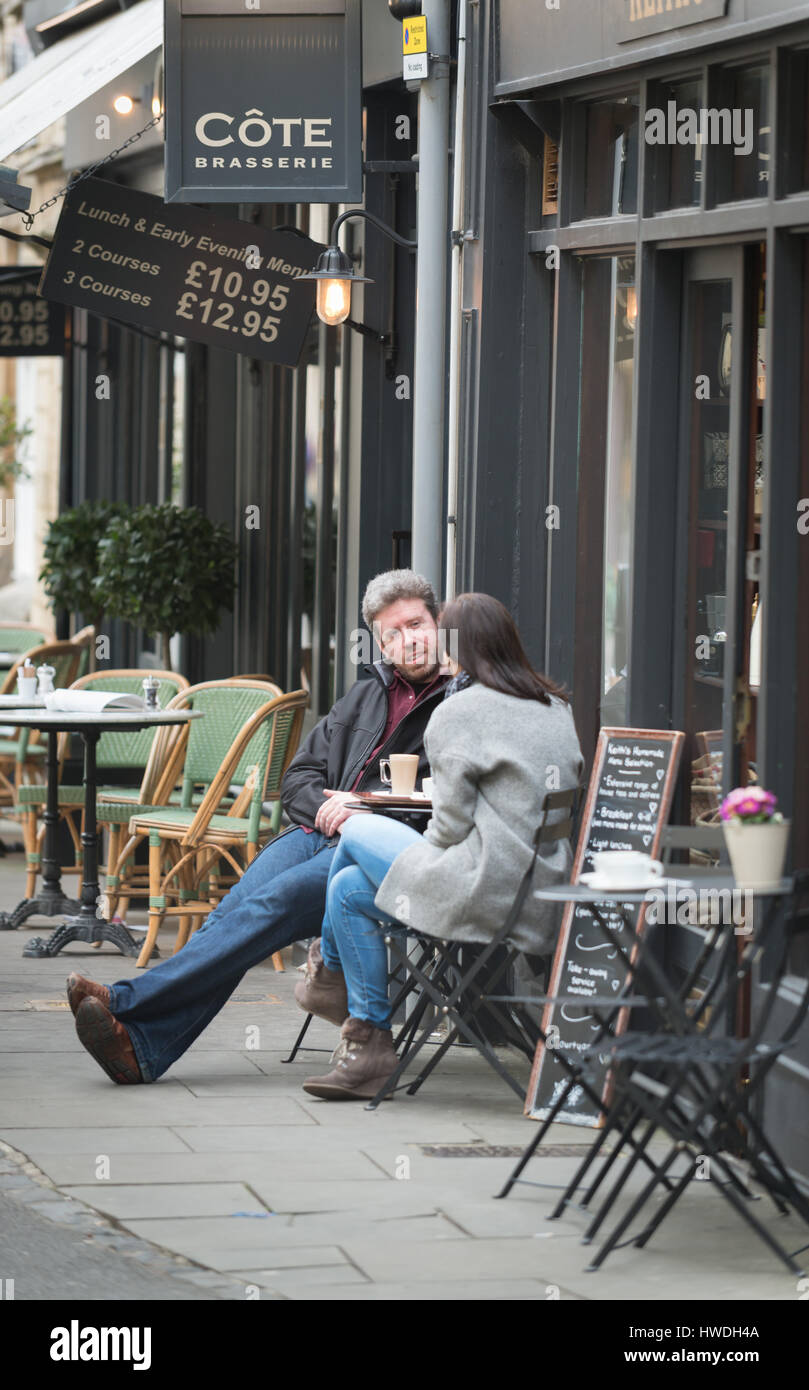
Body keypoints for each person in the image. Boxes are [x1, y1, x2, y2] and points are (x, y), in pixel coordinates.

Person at [70, 569, 452, 1084]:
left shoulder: (457, 704)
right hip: (317, 833)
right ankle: (140, 1050)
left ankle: (124, 1000)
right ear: (380, 644)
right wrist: (324, 806)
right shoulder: (365, 697)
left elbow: (445, 803)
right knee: (231, 912)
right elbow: (297, 777)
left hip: (376, 853)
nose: (410, 640)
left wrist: (364, 808)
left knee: (267, 909)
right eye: (394, 634)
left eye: (417, 624)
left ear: (438, 622)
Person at [294, 592, 584, 1101]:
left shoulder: (459, 712)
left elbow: (447, 831)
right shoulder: (555, 705)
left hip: (482, 890)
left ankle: (330, 973)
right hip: (543, 892)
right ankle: (367, 1041)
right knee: (345, 889)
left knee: (358, 828)